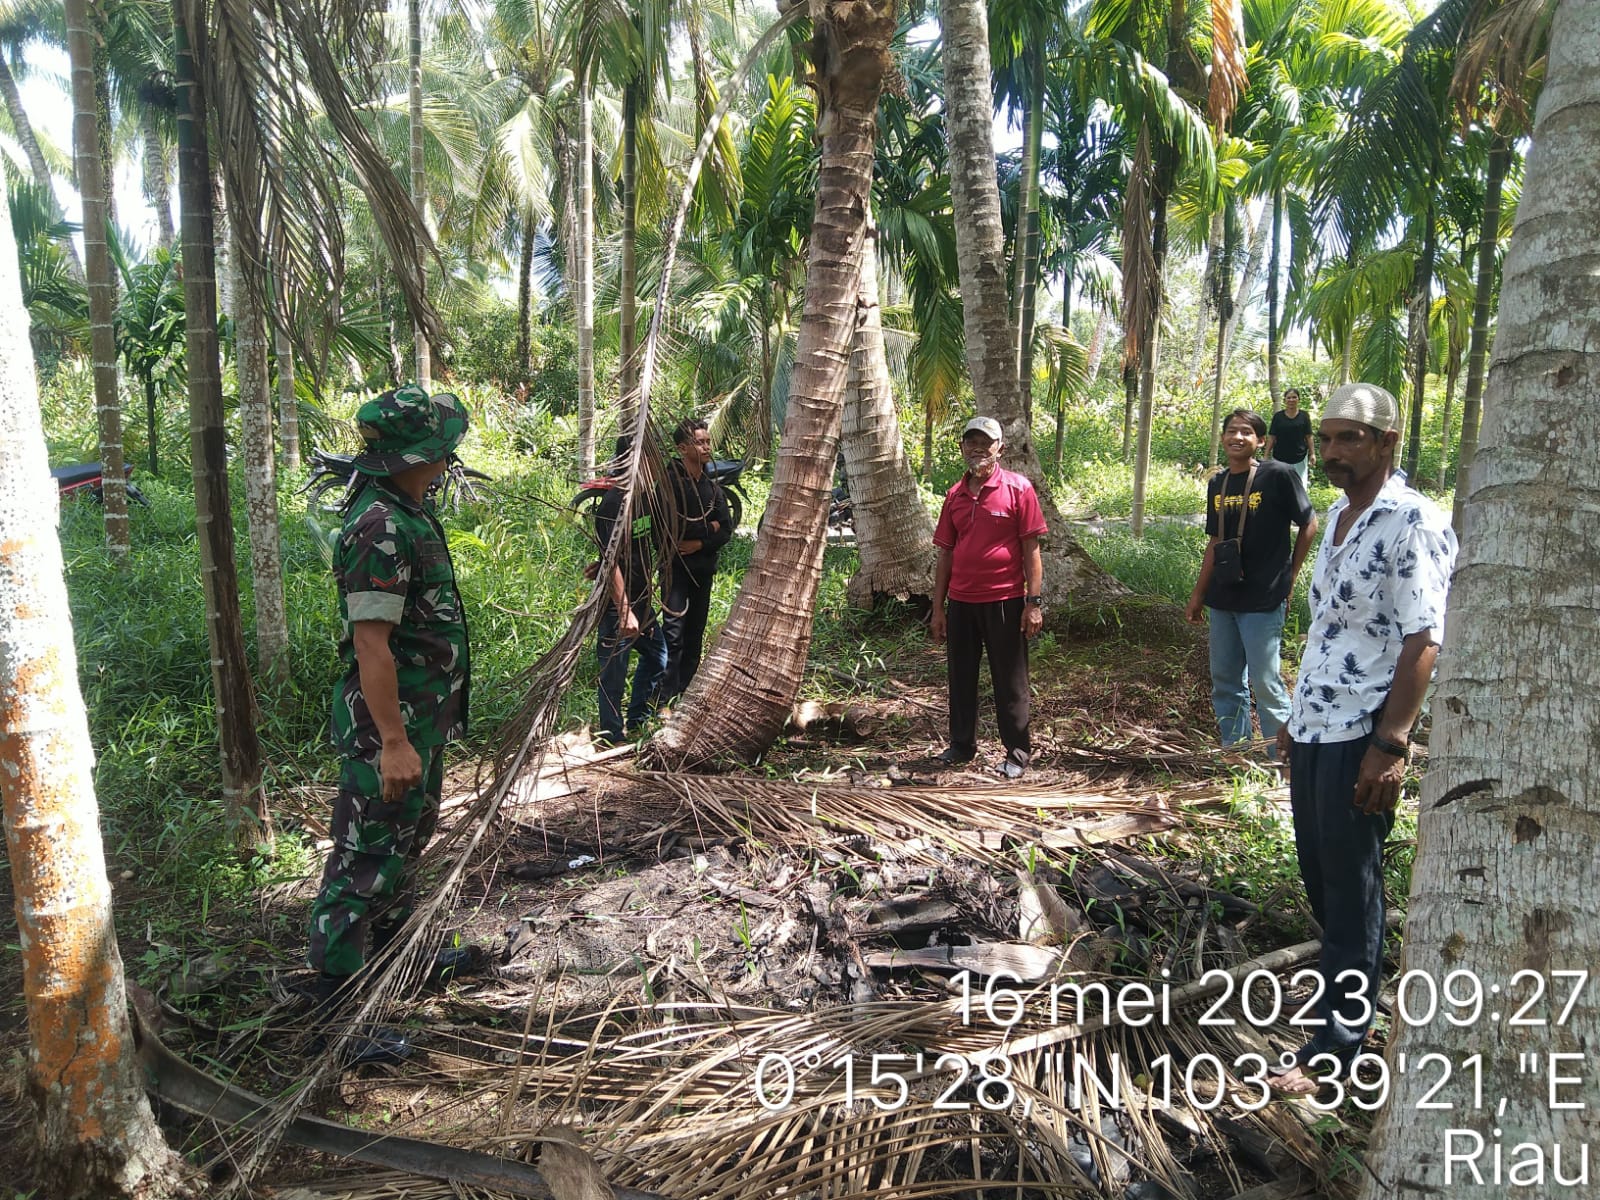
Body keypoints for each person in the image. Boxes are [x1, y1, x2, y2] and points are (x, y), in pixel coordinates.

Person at [1269, 382, 1457, 1095]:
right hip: (1319, 723)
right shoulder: (1344, 519)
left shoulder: (1411, 521)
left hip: (1363, 733)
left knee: (1352, 888)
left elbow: (1423, 641)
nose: (1333, 451)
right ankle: (1343, 1005)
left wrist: (1391, 743)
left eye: (1350, 438)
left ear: (1387, 443)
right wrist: (1295, 717)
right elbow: (1328, 629)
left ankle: (1337, 1050)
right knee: (1321, 877)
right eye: (1326, 438)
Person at [305, 385, 472, 1051]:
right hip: (390, 726)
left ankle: (402, 959)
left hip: (420, 718)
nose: (446, 464)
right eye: (439, 453)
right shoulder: (381, 526)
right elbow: (371, 644)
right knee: (363, 854)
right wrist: (394, 742)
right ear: (409, 458)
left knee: (405, 839)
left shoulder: (409, 509)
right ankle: (335, 1015)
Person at [1185, 408, 1317, 748]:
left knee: (1266, 682)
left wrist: (1290, 576)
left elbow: (1309, 524)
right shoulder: (1218, 482)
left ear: (1260, 441)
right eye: (1231, 431)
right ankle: (1237, 751)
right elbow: (1215, 541)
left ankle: (1283, 758)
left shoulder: (1278, 475)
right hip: (1224, 597)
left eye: (1246, 432)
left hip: (1263, 597)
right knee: (1226, 681)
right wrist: (1199, 594)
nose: (1237, 437)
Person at [930, 416, 1048, 780]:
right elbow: (946, 554)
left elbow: (1032, 550)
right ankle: (961, 745)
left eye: (986, 442)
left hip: (1005, 601)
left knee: (1009, 681)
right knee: (961, 676)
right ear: (963, 448)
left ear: (1001, 448)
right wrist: (938, 608)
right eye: (971, 442)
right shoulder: (955, 495)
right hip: (962, 602)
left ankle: (1017, 752)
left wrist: (1033, 602)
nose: (978, 448)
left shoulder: (1018, 489)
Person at [592, 436, 667, 746]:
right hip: (618, 606)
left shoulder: (643, 499)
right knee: (613, 673)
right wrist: (624, 611)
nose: (655, 466)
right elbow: (610, 563)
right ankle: (611, 736)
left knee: (658, 657)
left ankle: (638, 719)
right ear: (632, 462)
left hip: (642, 601)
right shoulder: (613, 505)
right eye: (649, 459)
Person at [659, 418, 732, 704]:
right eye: (699, 442)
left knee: (695, 634)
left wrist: (701, 540)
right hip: (675, 570)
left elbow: (725, 528)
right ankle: (663, 699)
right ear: (682, 448)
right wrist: (707, 526)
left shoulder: (712, 488)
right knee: (673, 634)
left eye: (707, 441)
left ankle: (685, 695)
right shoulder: (668, 485)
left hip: (703, 569)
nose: (706, 447)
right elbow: (670, 528)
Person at [1265, 386, 1316, 487]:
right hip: (1280, 456)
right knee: (1279, 485)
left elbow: (1309, 436)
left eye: (1294, 397)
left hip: (1299, 457)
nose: (1291, 400)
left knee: (1299, 485)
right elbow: (1272, 437)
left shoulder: (1304, 416)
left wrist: (1312, 454)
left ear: (1298, 399)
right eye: (1289, 398)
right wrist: (1266, 455)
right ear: (1285, 400)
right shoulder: (1278, 417)